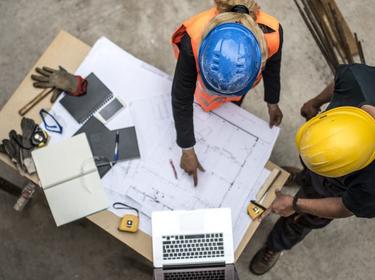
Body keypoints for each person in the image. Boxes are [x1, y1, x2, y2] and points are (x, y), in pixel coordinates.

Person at [249, 63, 375, 275]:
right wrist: (316, 102)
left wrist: (296, 204)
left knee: (301, 220)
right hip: (328, 162)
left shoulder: (371, 186)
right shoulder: (358, 81)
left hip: (332, 192)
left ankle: (276, 245)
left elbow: (344, 207)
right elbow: (339, 82)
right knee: (312, 170)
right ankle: (304, 176)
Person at [171, 0, 284, 186]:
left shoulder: (272, 35)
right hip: (204, 90)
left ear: (259, 59)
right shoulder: (193, 40)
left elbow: (272, 69)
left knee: (230, 108)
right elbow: (181, 97)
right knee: (204, 102)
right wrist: (187, 148)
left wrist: (272, 102)